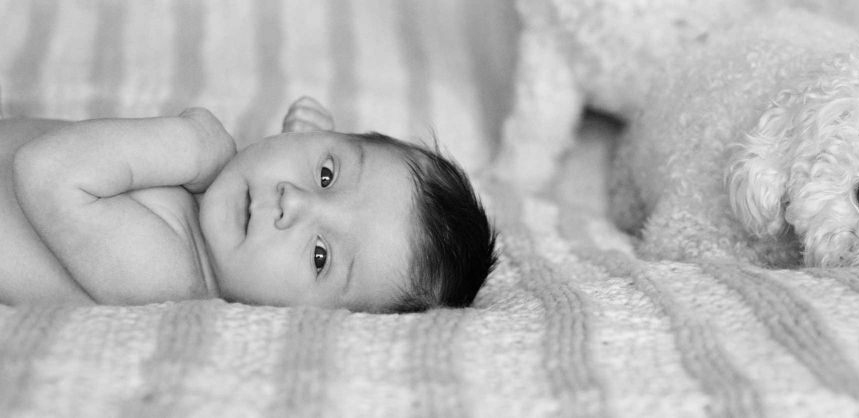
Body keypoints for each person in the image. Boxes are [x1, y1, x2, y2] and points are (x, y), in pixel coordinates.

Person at [1, 103, 498, 312]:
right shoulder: (203, 217)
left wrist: (191, 144)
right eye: (326, 173)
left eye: (320, 256)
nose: (293, 201)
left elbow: (44, 172)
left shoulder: (166, 272)